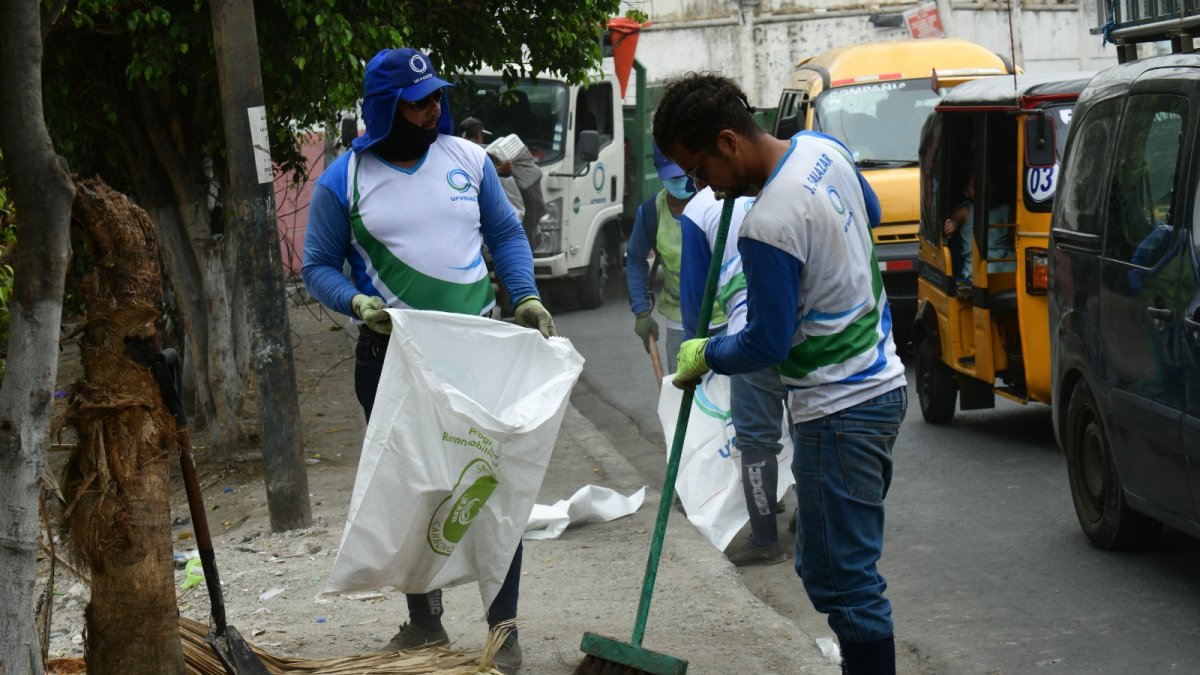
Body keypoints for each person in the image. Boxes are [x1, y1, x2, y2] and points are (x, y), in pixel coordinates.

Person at [301, 47, 555, 675]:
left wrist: (522, 294)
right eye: (418, 101)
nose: (433, 108)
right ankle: (424, 624)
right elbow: (316, 266)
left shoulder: (468, 160)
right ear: (386, 109)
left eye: (437, 96)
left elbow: (505, 234)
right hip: (392, 360)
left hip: (480, 351)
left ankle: (504, 628)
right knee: (414, 491)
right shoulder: (345, 179)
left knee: (492, 486)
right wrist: (355, 300)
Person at [653, 73, 907, 675]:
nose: (702, 187)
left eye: (698, 171)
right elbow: (867, 211)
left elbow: (766, 342)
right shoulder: (824, 150)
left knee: (845, 582)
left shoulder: (766, 224)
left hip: (837, 410)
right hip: (882, 383)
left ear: (727, 143)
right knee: (826, 567)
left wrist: (706, 354)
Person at [679, 186, 790, 566]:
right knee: (810, 428)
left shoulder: (697, 211)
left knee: (756, 440)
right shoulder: (777, 180)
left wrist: (694, 353)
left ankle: (765, 540)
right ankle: (809, 525)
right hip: (801, 325)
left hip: (751, 333)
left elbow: (695, 297)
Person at [625, 143, 726, 370]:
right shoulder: (652, 212)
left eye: (683, 174)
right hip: (680, 322)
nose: (679, 182)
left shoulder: (719, 203)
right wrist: (642, 311)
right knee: (683, 396)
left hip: (726, 319)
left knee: (725, 400)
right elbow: (635, 258)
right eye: (672, 176)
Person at [461, 115, 545, 247]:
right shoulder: (477, 154)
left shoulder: (458, 151)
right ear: (478, 135)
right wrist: (501, 171)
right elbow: (473, 177)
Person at [943, 174, 1016, 284]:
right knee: (989, 272)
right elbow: (953, 222)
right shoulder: (965, 210)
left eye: (986, 184)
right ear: (966, 192)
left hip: (1007, 257)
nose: (982, 189)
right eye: (974, 187)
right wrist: (952, 226)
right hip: (979, 260)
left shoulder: (1006, 210)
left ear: (993, 187)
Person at [461, 116, 525, 222]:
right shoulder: (479, 156)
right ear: (478, 136)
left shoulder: (455, 154)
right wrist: (501, 173)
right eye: (482, 135)